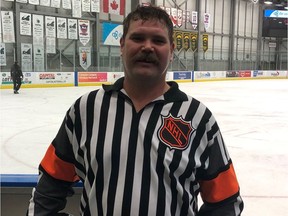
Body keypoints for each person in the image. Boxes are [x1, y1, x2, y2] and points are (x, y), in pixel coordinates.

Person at [27, 5, 244, 216]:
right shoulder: (85, 110)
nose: (148, 47)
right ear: (122, 45)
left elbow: (227, 202)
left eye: (158, 40)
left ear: (171, 51)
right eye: (138, 38)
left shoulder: (198, 118)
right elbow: (50, 184)